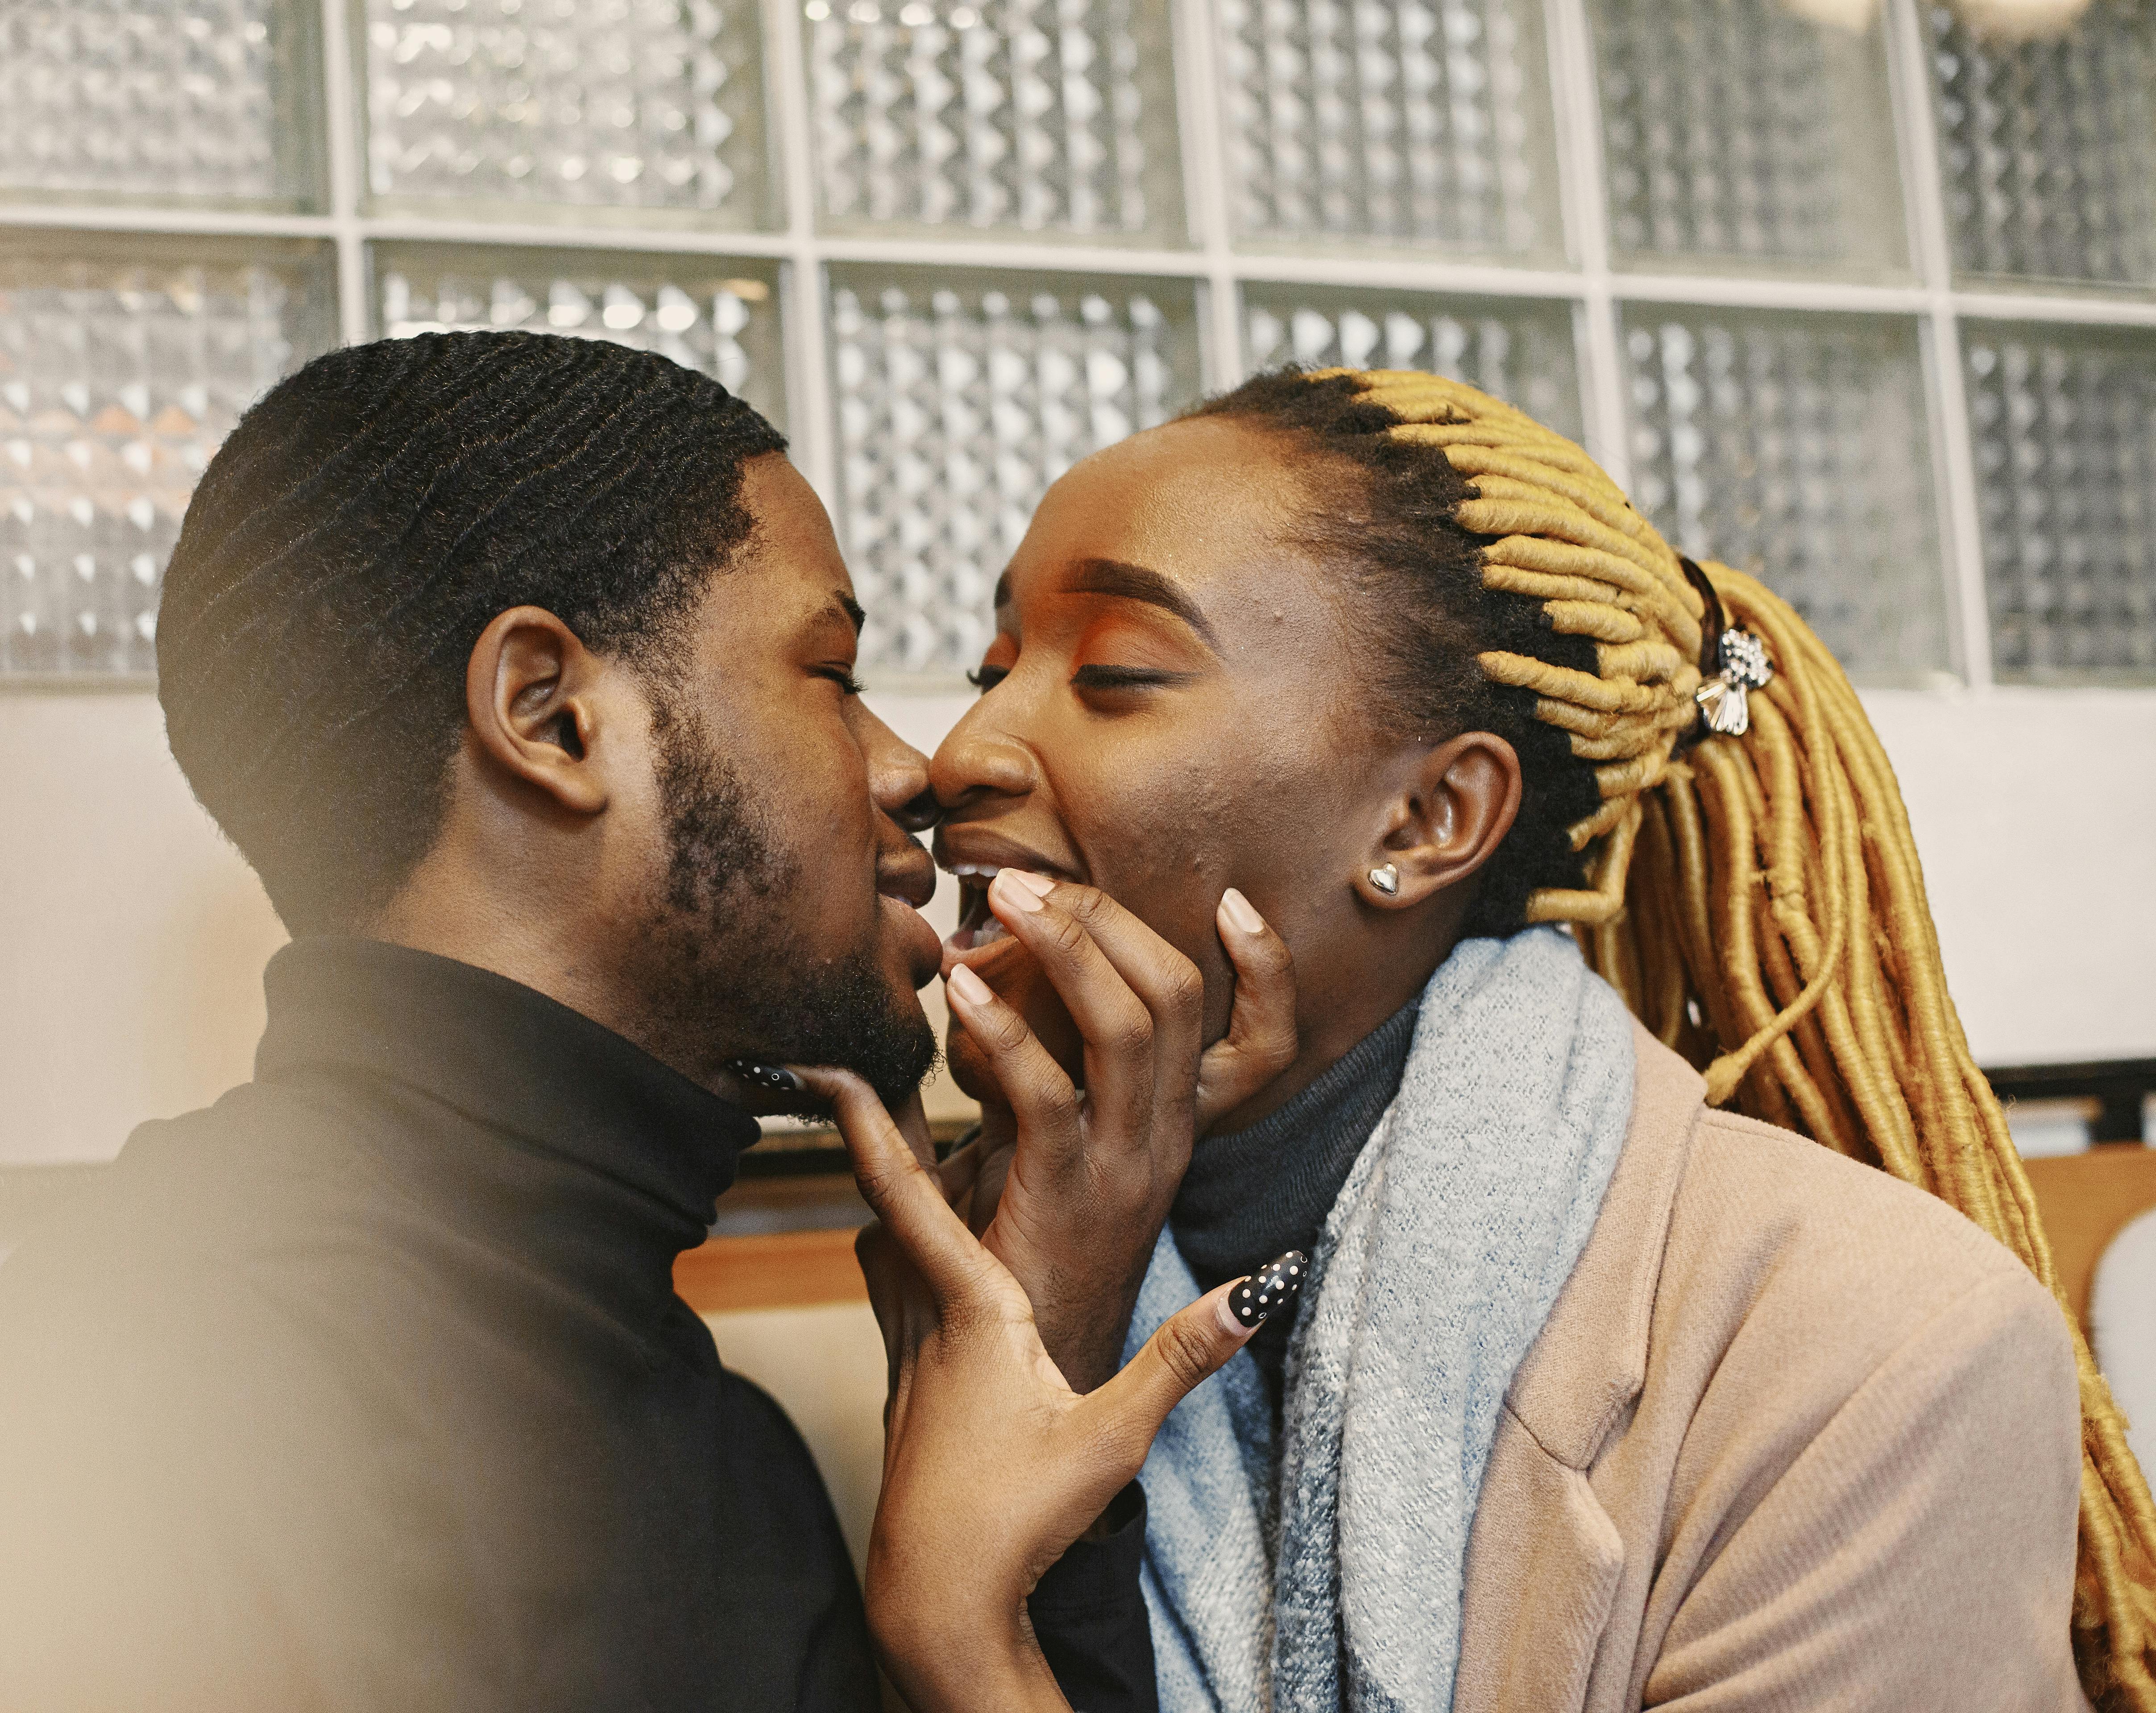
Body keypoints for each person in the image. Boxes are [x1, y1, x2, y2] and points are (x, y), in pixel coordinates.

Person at [0, 331, 1290, 1712]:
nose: (916, 768)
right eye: (831, 676)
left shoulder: (711, 1435)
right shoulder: (141, 1401)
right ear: (549, 718)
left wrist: (1038, 1359)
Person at [795, 369, 2156, 1711]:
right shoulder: (1015, 1262)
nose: (961, 750)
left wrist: (957, 1639)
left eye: (1116, 672)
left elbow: (976, 1645)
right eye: (993, 667)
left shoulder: (1883, 1350)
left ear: (1428, 820)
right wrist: (1057, 1322)